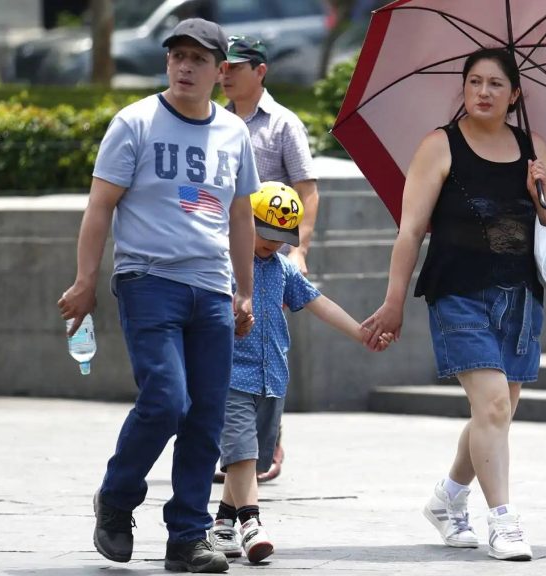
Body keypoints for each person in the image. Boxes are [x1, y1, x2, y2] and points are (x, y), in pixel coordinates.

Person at [56, 18, 260, 574]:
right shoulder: (135, 122)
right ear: (168, 63)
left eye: (199, 59)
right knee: (168, 400)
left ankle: (188, 537)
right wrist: (85, 281)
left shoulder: (233, 133)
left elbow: (240, 215)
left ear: (222, 72)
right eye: (178, 57)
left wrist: (244, 291)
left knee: (207, 415)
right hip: (148, 281)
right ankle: (117, 499)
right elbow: (100, 206)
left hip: (213, 289)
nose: (186, 67)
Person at [360, 48, 546, 562]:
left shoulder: (532, 146)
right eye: (474, 82)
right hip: (457, 293)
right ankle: (505, 521)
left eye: (496, 84)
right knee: (494, 404)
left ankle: (448, 498)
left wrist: (540, 191)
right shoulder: (440, 145)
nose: (483, 92)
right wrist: (393, 303)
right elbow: (410, 230)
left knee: (497, 411)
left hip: (519, 296)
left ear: (515, 95)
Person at [207, 182, 390, 564]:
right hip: (230, 376)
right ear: (244, 222)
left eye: (281, 237)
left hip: (272, 377)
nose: (272, 244)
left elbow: (319, 303)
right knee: (240, 453)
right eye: (265, 234)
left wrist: (360, 332)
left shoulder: (284, 270)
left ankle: (222, 523)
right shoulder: (223, 263)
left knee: (252, 460)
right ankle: (251, 523)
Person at [220, 35, 321, 483]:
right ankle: (234, 443)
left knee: (265, 346)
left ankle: (267, 439)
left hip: (268, 255)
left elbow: (307, 190)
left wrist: (298, 249)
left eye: (235, 67)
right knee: (224, 346)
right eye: (222, 67)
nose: (224, 74)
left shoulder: (283, 124)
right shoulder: (214, 123)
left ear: (260, 72)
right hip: (221, 258)